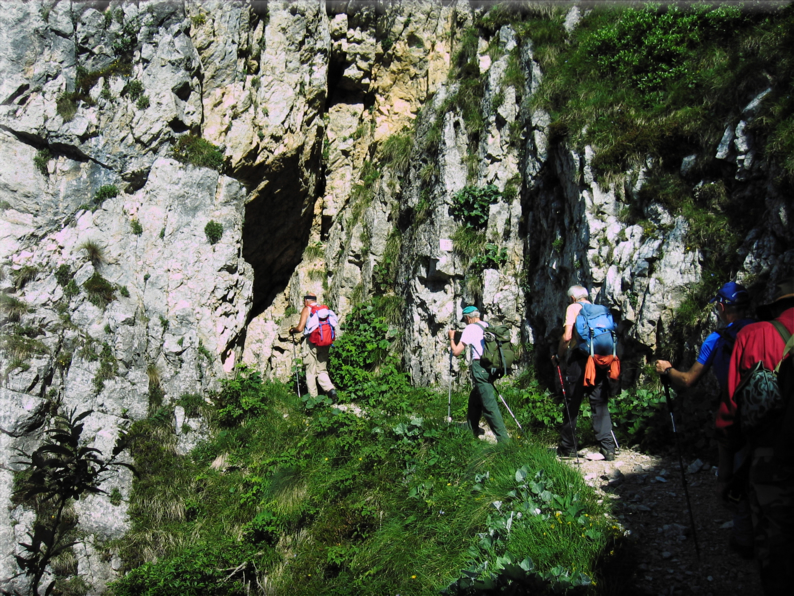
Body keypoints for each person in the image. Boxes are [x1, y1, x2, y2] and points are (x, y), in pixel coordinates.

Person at [654, 280, 755, 557]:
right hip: (774, 412)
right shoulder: (766, 330)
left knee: (737, 473)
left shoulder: (718, 339)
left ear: (722, 307)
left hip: (736, 414)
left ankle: (745, 540)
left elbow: (687, 381)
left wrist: (667, 369)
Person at [722, 275, 794, 594]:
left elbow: (732, 405)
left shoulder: (756, 333)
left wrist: (728, 450)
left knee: (776, 540)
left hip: (772, 452)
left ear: (777, 305)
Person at [552, 285, 616, 460]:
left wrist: (558, 355)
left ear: (572, 298)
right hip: (599, 360)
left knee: (572, 401)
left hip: (580, 361)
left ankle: (568, 447)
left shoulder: (573, 308)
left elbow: (567, 337)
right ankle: (608, 447)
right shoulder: (599, 310)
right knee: (599, 402)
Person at [448, 306, 510, 443]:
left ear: (468, 318)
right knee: (475, 398)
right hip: (491, 367)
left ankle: (504, 440)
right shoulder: (487, 326)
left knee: (489, 405)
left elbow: (457, 352)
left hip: (480, 367)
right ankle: (472, 430)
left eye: (465, 319)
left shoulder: (470, 328)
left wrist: (452, 338)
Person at [289, 294, 338, 402]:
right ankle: (331, 390)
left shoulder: (307, 309)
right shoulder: (323, 310)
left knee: (310, 371)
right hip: (325, 342)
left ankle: (313, 399)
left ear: (306, 301)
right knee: (322, 370)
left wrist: (293, 330)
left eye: (304, 301)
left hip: (311, 342)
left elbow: (300, 328)